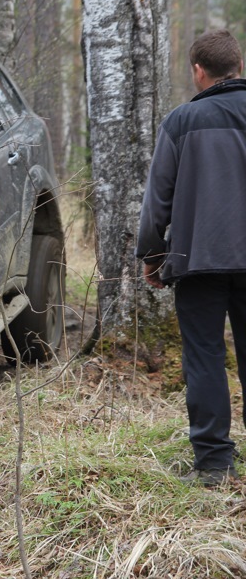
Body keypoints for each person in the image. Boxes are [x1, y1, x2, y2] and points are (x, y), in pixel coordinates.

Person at [137, 28, 246, 487]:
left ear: (199, 71)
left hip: (198, 259)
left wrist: (151, 254)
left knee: (204, 357)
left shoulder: (181, 122)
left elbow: (157, 198)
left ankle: (215, 465)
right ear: (238, 67)